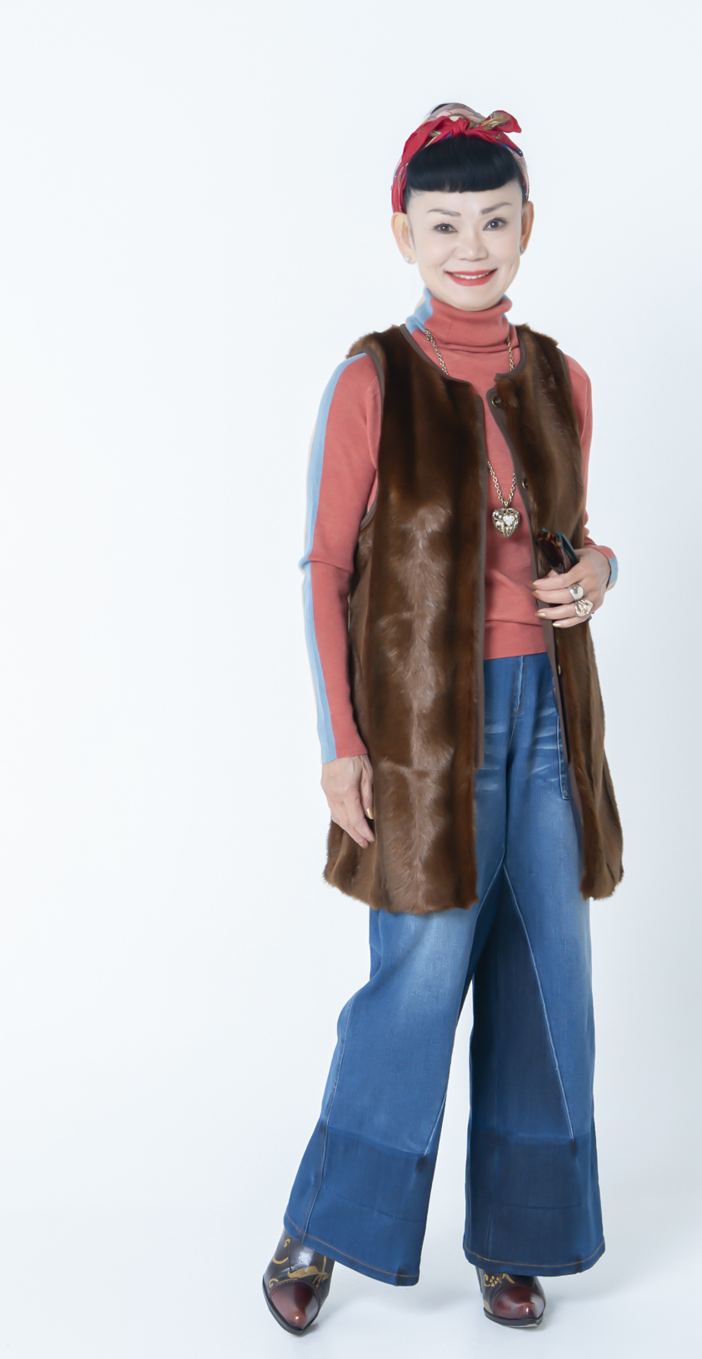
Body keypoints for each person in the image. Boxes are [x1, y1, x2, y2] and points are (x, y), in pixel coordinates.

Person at [262, 104, 624, 1336]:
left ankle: (515, 1237)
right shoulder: (372, 379)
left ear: (528, 228)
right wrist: (341, 742)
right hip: (424, 735)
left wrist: (602, 571)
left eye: (494, 222)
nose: (472, 246)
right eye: (445, 224)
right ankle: (322, 1225)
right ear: (404, 235)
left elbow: (570, 536)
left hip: (547, 724)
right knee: (416, 984)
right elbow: (325, 567)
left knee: (545, 980)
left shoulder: (563, 380)